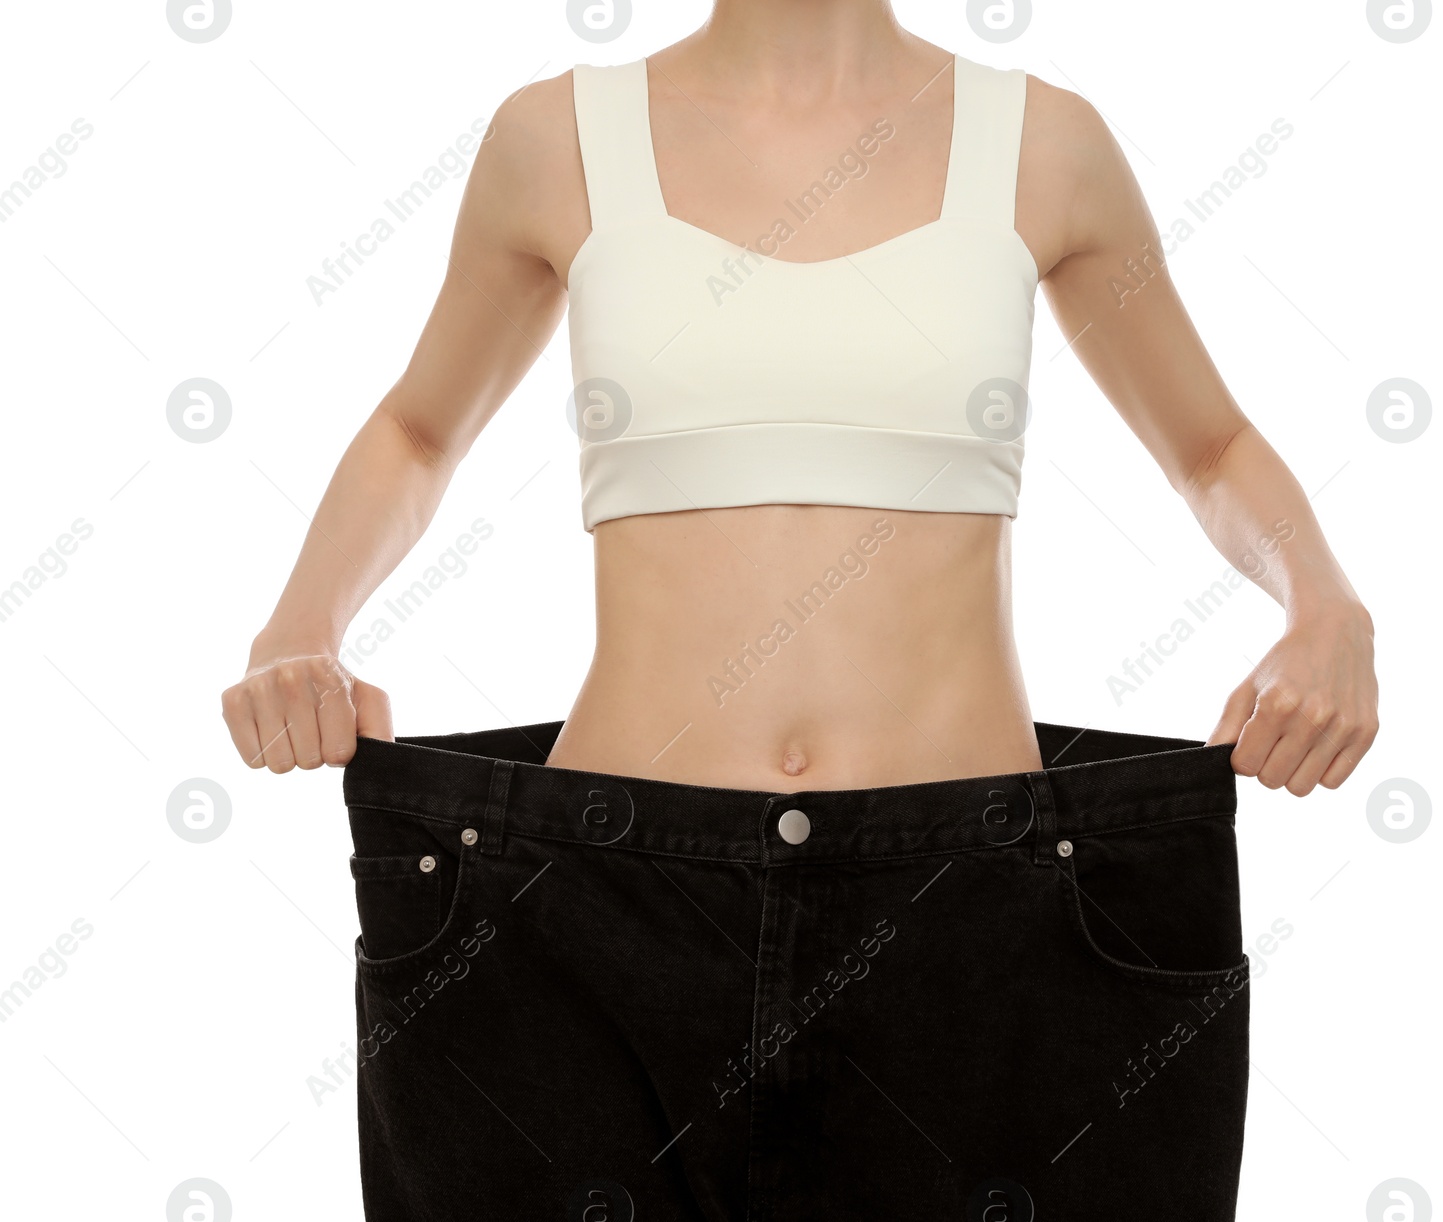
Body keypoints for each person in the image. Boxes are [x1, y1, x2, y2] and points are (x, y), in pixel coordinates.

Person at [221, 4, 1378, 1218]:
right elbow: (419, 428)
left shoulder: (1043, 145)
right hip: (603, 924)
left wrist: (1327, 606)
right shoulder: (556, 139)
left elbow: (1213, 444)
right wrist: (299, 628)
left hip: (974, 924)